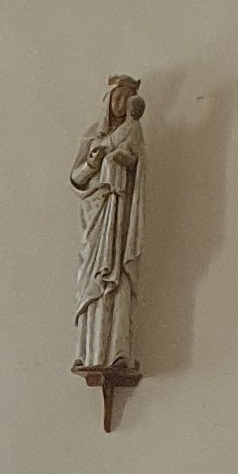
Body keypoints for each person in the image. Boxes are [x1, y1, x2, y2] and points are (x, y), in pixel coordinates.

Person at [70, 73, 145, 378]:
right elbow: (76, 178)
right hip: (96, 213)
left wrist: (126, 161)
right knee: (93, 278)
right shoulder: (92, 136)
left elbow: (139, 163)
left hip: (120, 210)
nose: (120, 104)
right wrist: (92, 162)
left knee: (117, 276)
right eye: (116, 98)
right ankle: (89, 351)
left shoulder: (133, 131)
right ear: (107, 101)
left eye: (125, 99)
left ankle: (117, 351)